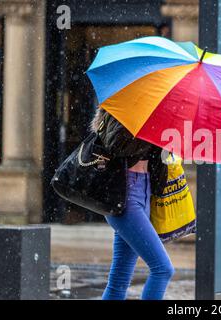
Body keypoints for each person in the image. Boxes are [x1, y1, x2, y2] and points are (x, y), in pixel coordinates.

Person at [90, 108, 174, 300]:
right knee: (162, 269)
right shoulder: (121, 108)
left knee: (119, 281)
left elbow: (155, 158)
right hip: (124, 193)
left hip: (144, 191)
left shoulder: (152, 112)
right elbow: (116, 146)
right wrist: (148, 125)